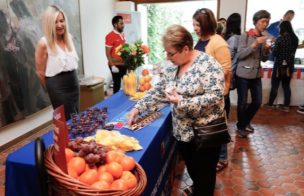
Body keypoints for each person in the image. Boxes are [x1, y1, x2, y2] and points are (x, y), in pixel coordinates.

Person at [128, 24, 229, 196]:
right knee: (194, 171)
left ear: (186, 48)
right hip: (183, 133)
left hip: (204, 135)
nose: (168, 58)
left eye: (171, 53)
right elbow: (159, 90)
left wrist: (182, 101)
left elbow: (215, 97)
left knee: (205, 177)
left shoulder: (209, 65)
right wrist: (138, 108)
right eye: (166, 53)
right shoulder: (173, 66)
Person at [192, 8, 231, 173]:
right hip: (202, 94)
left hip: (215, 94)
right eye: (193, 24)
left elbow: (226, 68)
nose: (194, 28)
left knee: (217, 126)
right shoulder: (200, 40)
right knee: (207, 126)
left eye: (197, 24)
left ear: (206, 24)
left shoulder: (218, 42)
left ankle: (222, 158)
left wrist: (202, 78)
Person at [35, 5, 79, 120]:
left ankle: (78, 138)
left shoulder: (69, 37)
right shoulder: (43, 43)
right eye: (55, 22)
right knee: (66, 119)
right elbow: (40, 72)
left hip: (73, 83)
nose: (59, 25)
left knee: (76, 115)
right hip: (57, 86)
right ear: (49, 24)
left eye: (61, 21)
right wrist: (52, 89)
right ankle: (68, 138)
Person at [235, 10, 271, 138]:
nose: (265, 24)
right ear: (255, 22)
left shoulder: (263, 37)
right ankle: (241, 127)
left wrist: (266, 50)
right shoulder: (246, 35)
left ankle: (245, 122)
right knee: (242, 103)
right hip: (243, 74)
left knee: (257, 102)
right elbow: (240, 55)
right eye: (262, 21)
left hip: (256, 75)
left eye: (267, 22)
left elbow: (264, 59)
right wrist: (255, 44)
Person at [266, 21, 298, 112]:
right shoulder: (295, 39)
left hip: (279, 67)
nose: (279, 29)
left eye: (280, 28)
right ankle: (286, 106)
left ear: (283, 28)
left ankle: (270, 104)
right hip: (289, 66)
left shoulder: (280, 39)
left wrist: (271, 47)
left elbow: (274, 53)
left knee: (275, 85)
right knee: (286, 86)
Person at [105, 16, 127, 94]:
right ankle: (115, 103)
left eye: (123, 23)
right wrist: (112, 65)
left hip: (123, 63)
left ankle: (124, 102)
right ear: (115, 24)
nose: (123, 25)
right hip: (115, 64)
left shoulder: (122, 34)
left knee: (126, 83)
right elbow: (107, 53)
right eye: (121, 23)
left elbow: (123, 49)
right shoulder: (109, 36)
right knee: (117, 84)